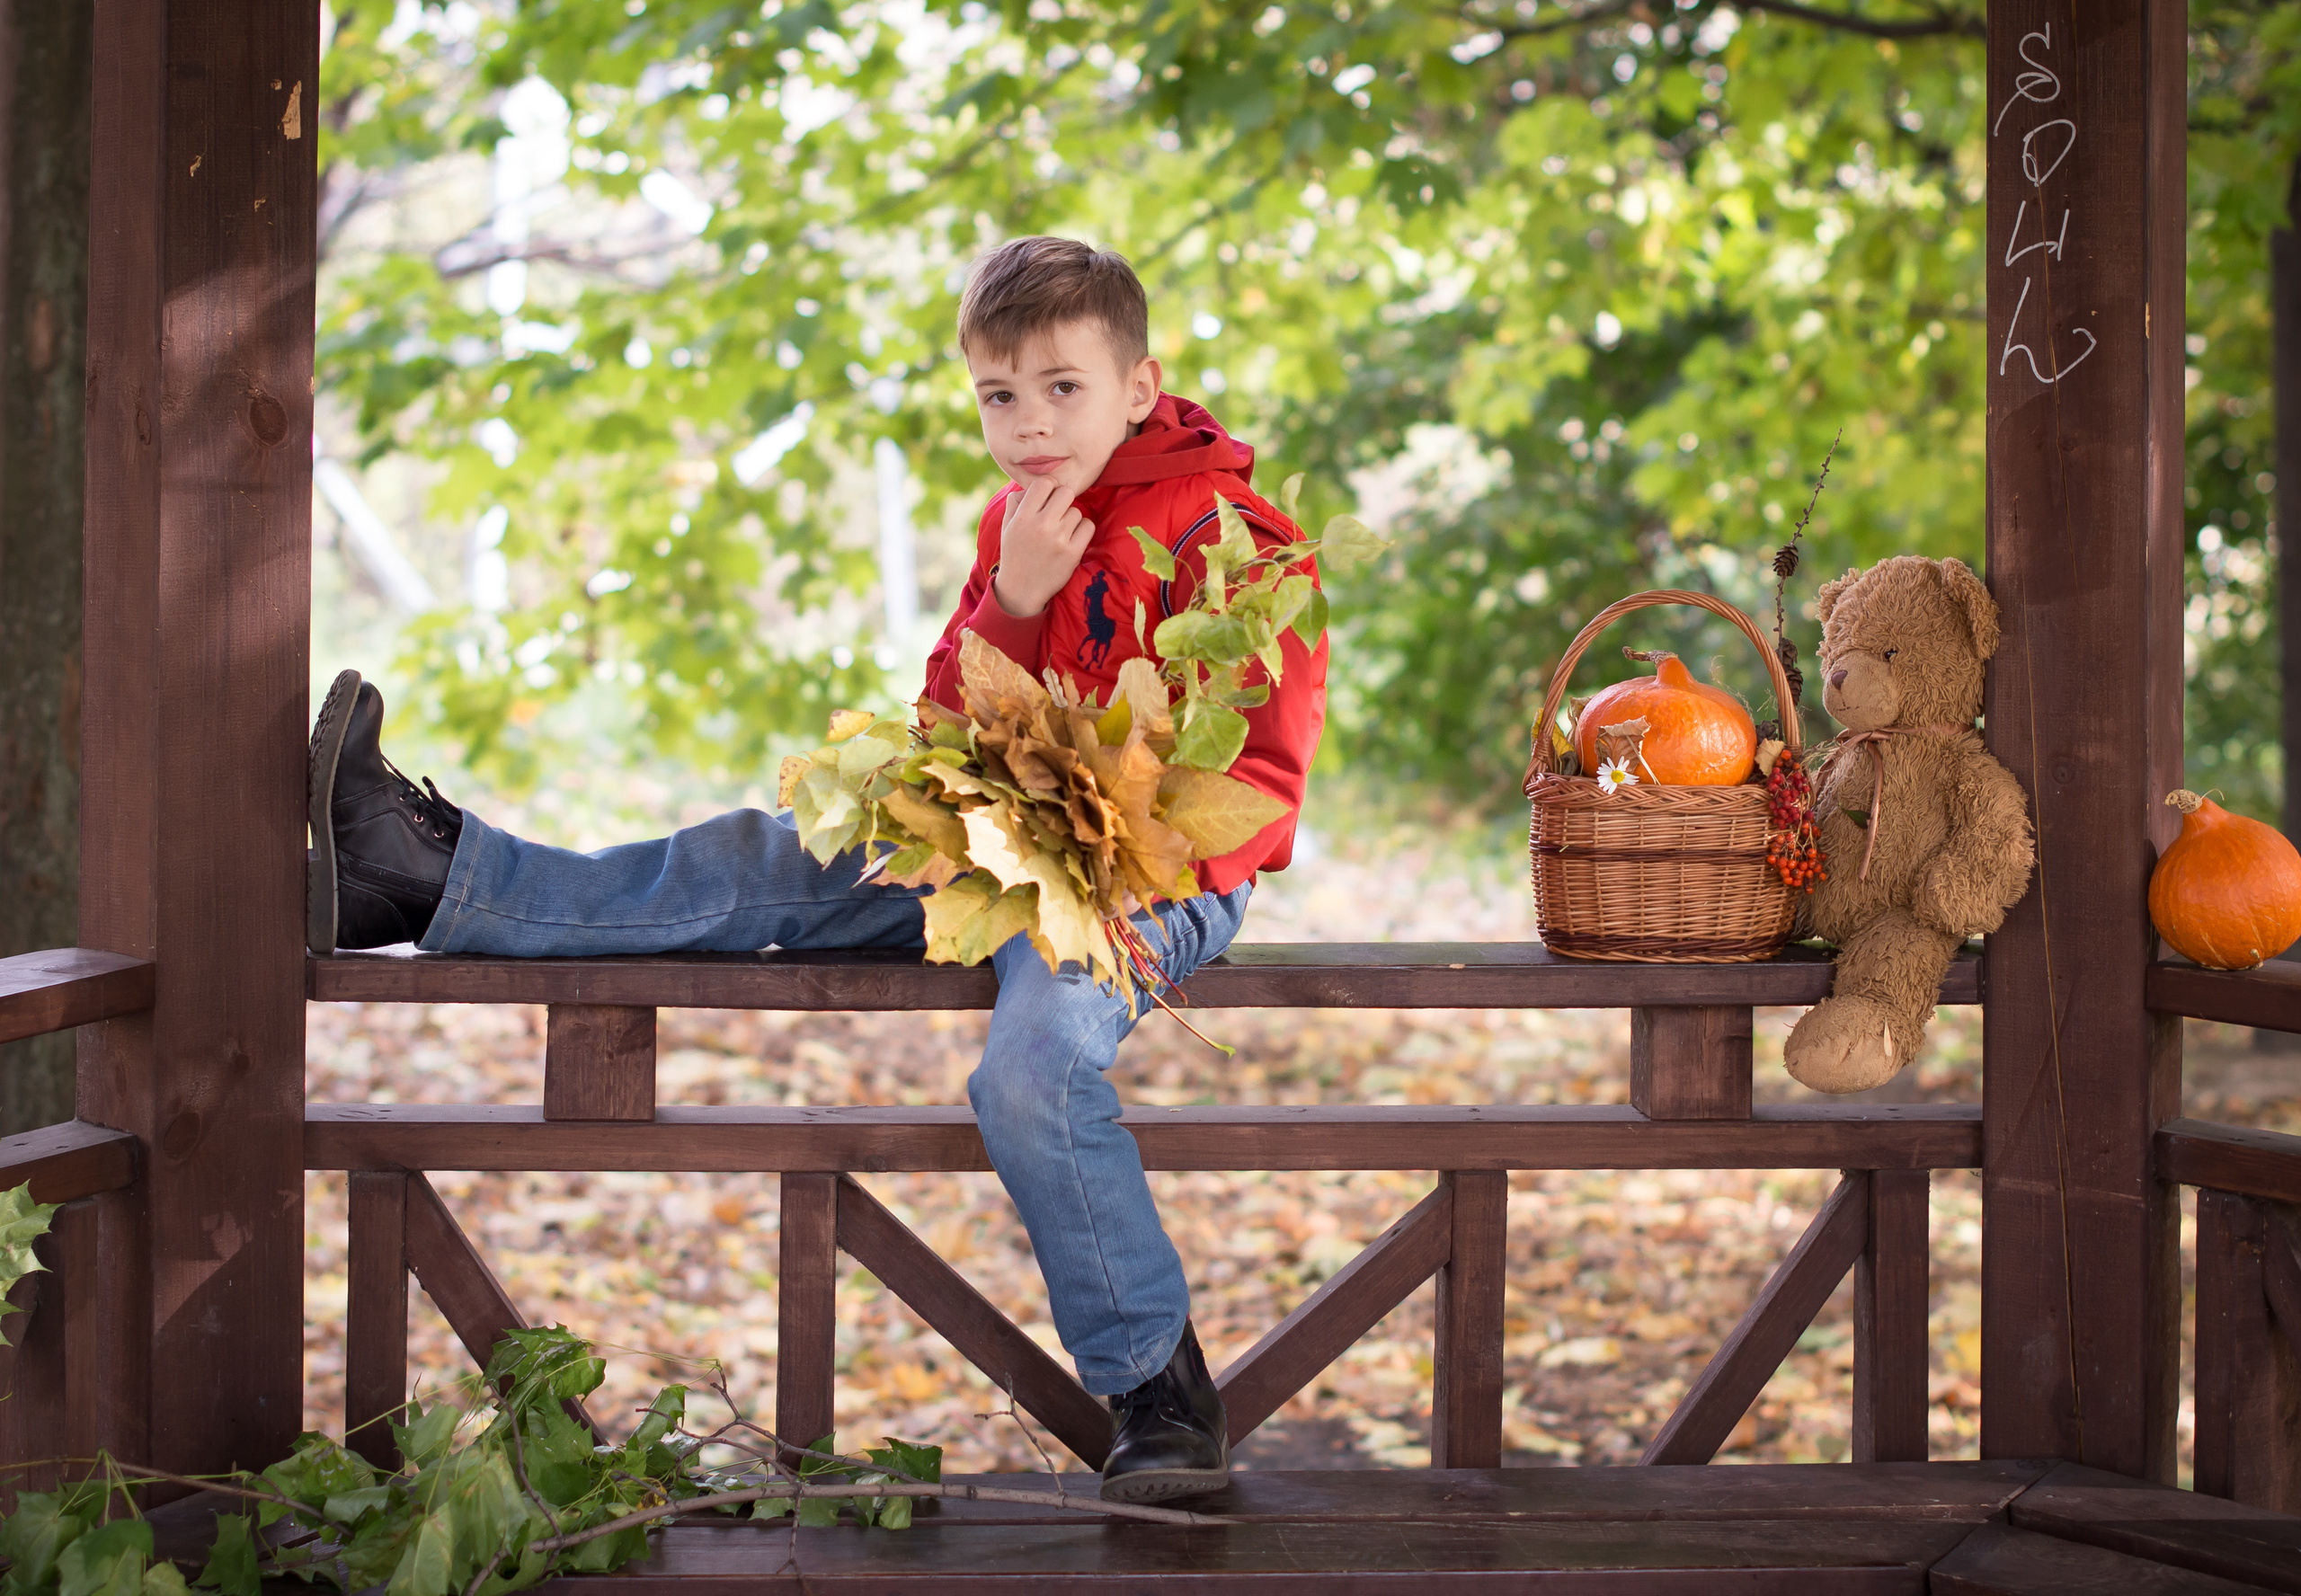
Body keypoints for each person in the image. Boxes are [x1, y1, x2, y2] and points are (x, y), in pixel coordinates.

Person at [307, 236, 1327, 1503]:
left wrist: (1117, 874)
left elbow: (1262, 777)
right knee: (763, 861)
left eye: (1064, 388)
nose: (1030, 425)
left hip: (1160, 880)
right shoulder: (1014, 523)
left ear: (1139, 383)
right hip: (995, 834)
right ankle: (422, 877)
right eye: (999, 397)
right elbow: (951, 716)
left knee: (1034, 1068)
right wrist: (1015, 597)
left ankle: (1159, 1395)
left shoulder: (1241, 541)